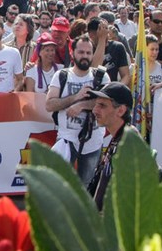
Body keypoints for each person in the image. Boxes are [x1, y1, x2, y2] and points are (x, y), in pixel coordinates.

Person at [46, 37, 107, 185]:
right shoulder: (62, 76)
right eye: (81, 52)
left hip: (93, 141)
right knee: (59, 184)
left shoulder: (102, 76)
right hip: (66, 140)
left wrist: (82, 105)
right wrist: (75, 97)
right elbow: (49, 105)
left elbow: (107, 103)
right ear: (72, 53)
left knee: (85, 184)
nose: (85, 56)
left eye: (88, 52)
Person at [87, 82, 137, 210]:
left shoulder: (129, 144)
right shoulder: (121, 138)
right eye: (96, 104)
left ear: (121, 110)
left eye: (102, 105)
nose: (94, 110)